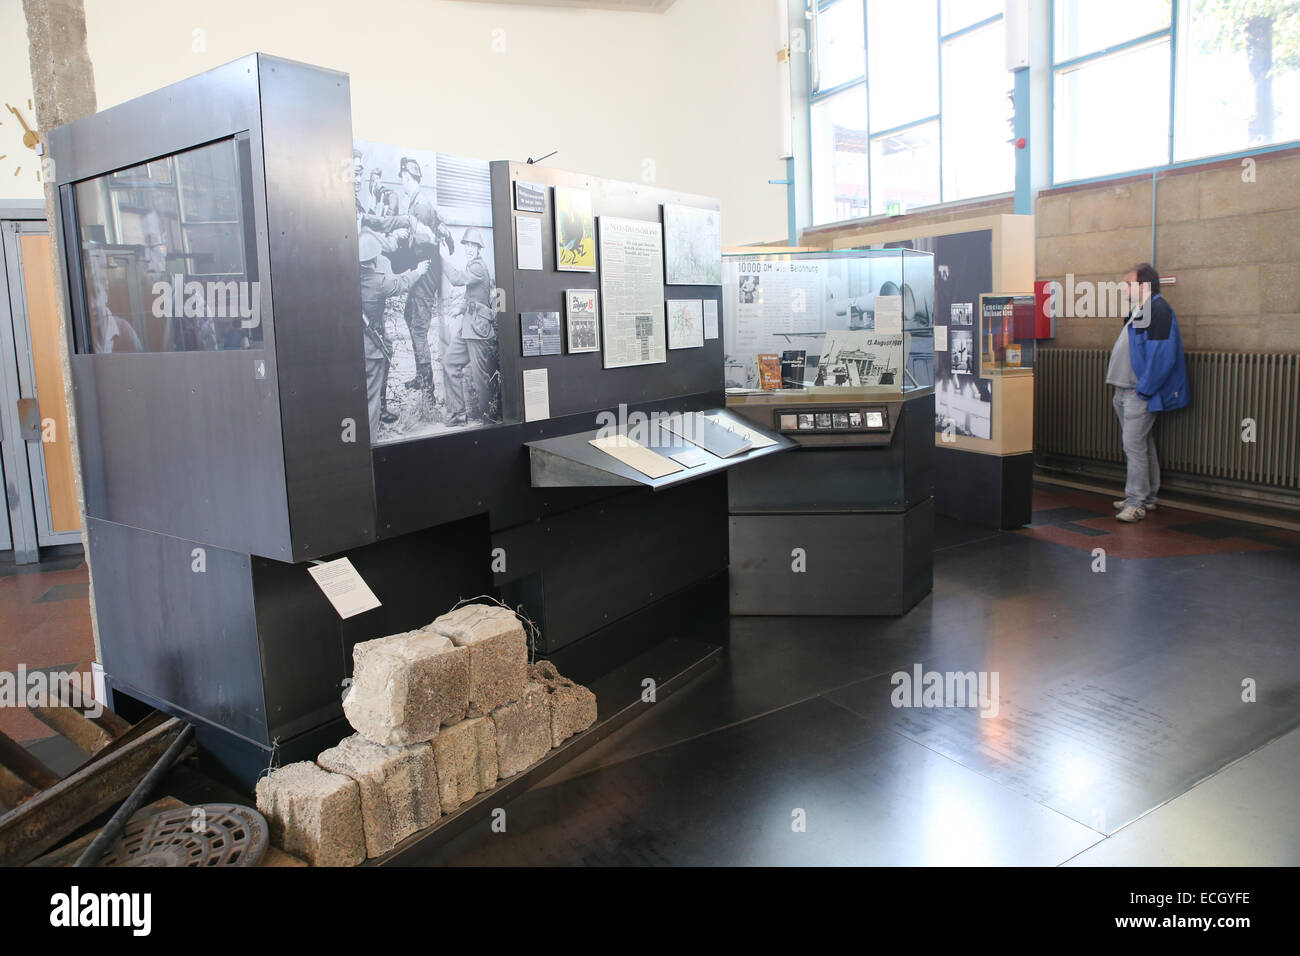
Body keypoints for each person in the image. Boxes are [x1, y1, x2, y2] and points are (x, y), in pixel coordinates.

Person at [1107, 263, 1189, 522]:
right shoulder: (1142, 310)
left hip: (1135, 393)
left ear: (1144, 286)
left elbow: (1162, 357)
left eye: (1129, 283)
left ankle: (1136, 502)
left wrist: (1143, 391)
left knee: (1133, 447)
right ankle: (1148, 496)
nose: (1124, 287)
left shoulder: (1158, 311)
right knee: (1142, 445)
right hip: (1126, 391)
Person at [359, 230, 428, 435]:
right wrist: (419, 271)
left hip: (363, 340)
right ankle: (371, 437)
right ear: (373, 260)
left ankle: (380, 411)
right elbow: (400, 284)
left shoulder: (351, 276)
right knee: (371, 392)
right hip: (371, 344)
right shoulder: (377, 283)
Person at [442, 228, 498, 425]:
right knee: (450, 362)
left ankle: (488, 417)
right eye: (466, 245)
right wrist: (459, 309)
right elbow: (472, 295)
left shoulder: (478, 268)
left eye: (472, 246)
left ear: (478, 249)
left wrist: (441, 261)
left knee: (479, 375)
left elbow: (457, 279)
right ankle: (457, 415)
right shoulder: (472, 265)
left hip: (477, 328)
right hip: (468, 326)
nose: (468, 249)